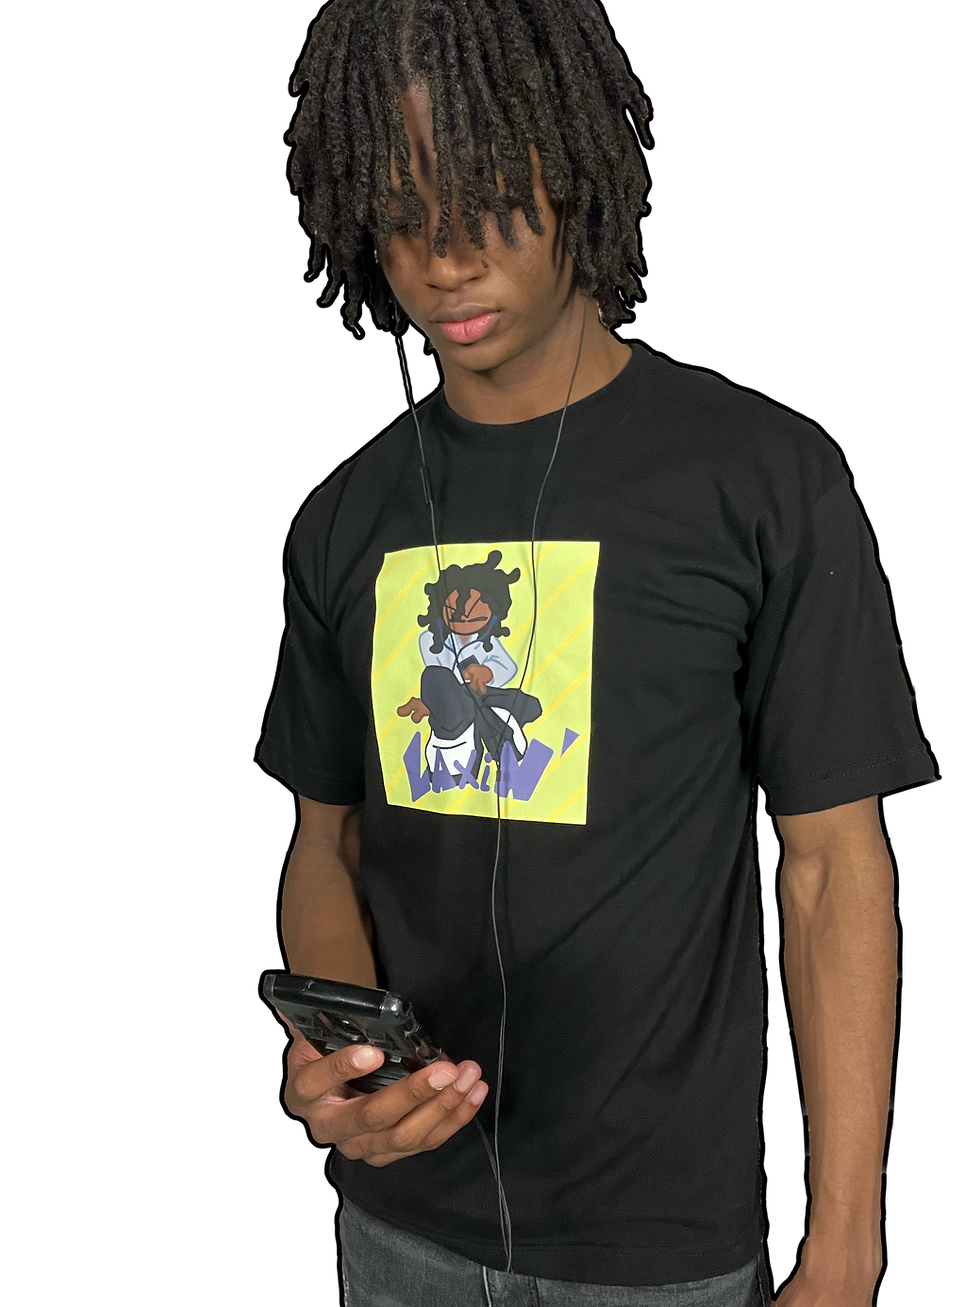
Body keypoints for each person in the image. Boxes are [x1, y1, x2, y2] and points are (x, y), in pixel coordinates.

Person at [259, 2, 934, 1304]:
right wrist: (345, 1070)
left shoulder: (758, 478)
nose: (444, 258)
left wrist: (846, 1241)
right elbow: (324, 845)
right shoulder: (345, 519)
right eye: (402, 212)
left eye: (486, 201)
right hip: (396, 1236)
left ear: (571, 171)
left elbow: (832, 869)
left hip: (658, 1254)